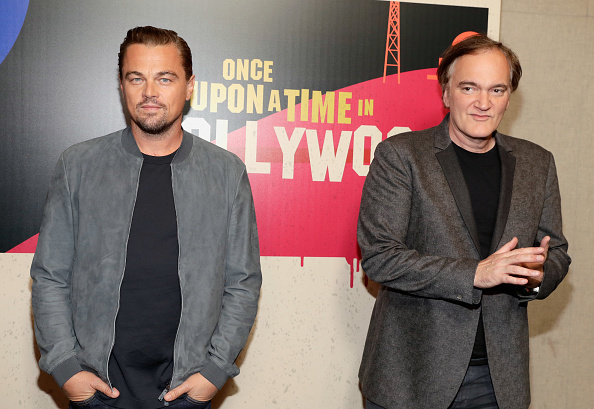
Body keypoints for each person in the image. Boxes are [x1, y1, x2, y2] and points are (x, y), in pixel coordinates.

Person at [31, 26, 262, 409]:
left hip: (187, 391)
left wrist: (215, 372)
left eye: (165, 78)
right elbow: (50, 276)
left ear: (189, 86)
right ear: (121, 85)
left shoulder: (226, 173)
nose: (149, 92)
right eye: (135, 78)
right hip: (96, 392)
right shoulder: (78, 166)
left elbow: (243, 283)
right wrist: (66, 368)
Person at [357, 34, 570, 409]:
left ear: (509, 96)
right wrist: (475, 273)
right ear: (446, 93)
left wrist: (536, 277)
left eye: (497, 90)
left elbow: (557, 252)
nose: (483, 103)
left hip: (499, 380)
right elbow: (380, 257)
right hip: (411, 376)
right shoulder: (401, 156)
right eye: (469, 87)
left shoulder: (538, 163)